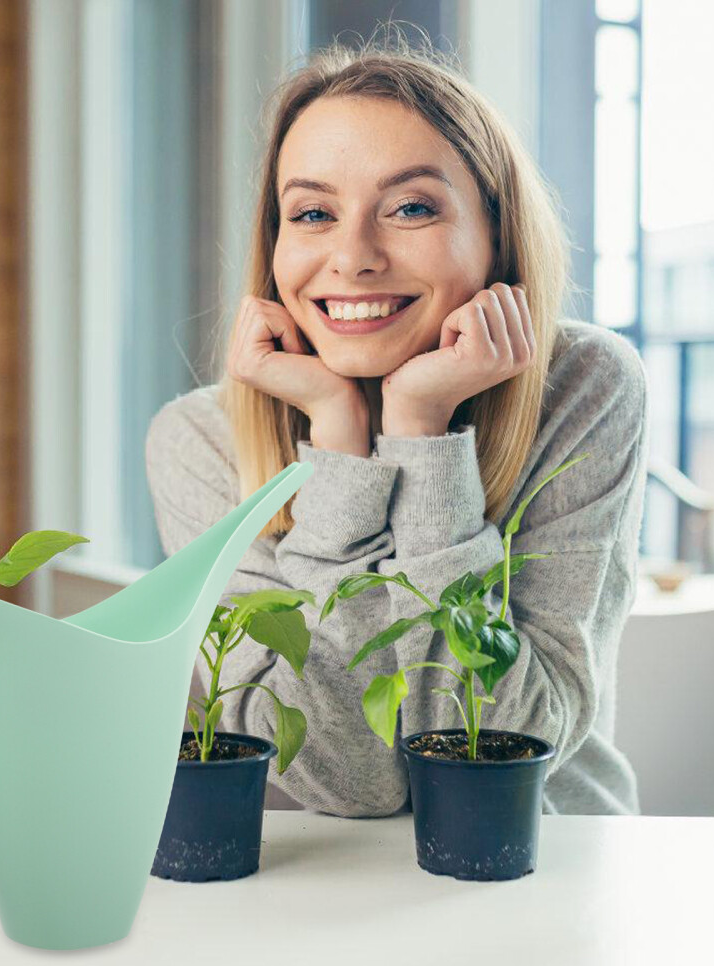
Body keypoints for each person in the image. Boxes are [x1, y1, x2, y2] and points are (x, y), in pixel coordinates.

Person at [144, 32, 648, 816]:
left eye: (410, 207)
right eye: (312, 213)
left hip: (549, 873)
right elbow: (349, 781)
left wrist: (421, 432)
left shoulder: (584, 389)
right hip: (314, 890)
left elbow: (511, 741)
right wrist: (339, 448)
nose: (352, 257)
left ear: (496, 234)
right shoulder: (201, 442)